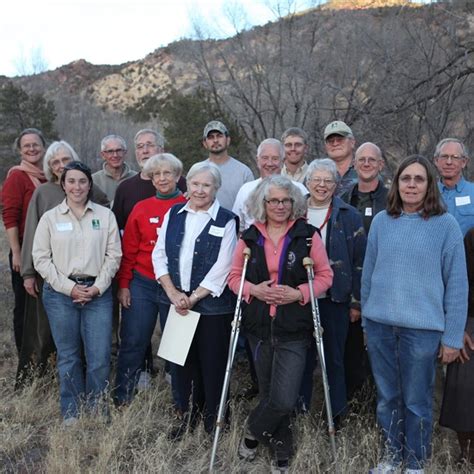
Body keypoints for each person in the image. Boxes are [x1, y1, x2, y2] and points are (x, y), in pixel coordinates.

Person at [361, 155, 468, 473]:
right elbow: (368, 277)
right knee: (387, 398)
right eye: (405, 178)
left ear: (429, 185)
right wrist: (367, 323)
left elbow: (457, 285)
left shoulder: (445, 225)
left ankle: (416, 462)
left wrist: (451, 336)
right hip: (380, 326)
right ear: (396, 184)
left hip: (422, 331)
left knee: (416, 401)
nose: (411, 184)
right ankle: (392, 458)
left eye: (418, 179)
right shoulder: (382, 221)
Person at [228, 175, 333, 472]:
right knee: (269, 394)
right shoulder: (250, 237)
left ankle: (251, 432)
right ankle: (281, 450)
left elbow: (325, 276)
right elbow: (234, 278)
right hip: (259, 328)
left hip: (294, 328)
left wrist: (298, 293)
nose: (280, 205)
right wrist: (255, 290)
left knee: (284, 398)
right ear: (263, 203)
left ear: (294, 203)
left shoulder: (308, 236)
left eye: (285, 200)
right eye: (273, 200)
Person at [152, 161, 238, 438]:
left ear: (216, 189)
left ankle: (215, 423)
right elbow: (159, 255)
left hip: (212, 307)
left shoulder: (227, 220)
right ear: (187, 185)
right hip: (177, 304)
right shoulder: (174, 213)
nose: (200, 190)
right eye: (195, 184)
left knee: (212, 365)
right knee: (181, 366)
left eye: (206, 185)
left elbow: (224, 267)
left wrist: (194, 296)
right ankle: (186, 418)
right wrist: (173, 294)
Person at [32, 161, 122, 425]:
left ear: (89, 184)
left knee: (99, 355)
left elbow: (114, 255)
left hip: (97, 294)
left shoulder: (105, 216)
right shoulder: (50, 218)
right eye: (71, 181)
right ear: (63, 185)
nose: (77, 186)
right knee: (69, 355)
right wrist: (69, 288)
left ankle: (97, 406)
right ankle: (71, 411)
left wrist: (97, 287)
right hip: (61, 295)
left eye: (82, 181)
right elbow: (40, 258)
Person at [18, 141, 108, 386]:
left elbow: (105, 225)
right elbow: (32, 236)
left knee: (94, 345)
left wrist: (96, 280)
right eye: (55, 162)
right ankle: (46, 380)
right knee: (51, 335)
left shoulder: (91, 191)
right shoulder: (44, 194)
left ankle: (93, 392)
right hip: (52, 277)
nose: (61, 165)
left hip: (93, 281)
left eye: (65, 160)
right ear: (50, 167)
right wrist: (28, 272)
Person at [114, 153, 187, 406]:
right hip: (143, 282)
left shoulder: (188, 206)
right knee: (134, 339)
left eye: (168, 173)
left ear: (178, 176)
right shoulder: (141, 208)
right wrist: (124, 284)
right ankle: (123, 396)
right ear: (152, 179)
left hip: (176, 286)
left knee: (176, 345)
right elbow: (129, 251)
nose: (162, 178)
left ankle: (181, 401)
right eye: (157, 174)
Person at [302, 158, 366, 418]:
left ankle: (336, 416)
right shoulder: (294, 211)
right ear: (307, 182)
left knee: (334, 360)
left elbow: (360, 262)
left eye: (328, 180)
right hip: (301, 299)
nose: (321, 185)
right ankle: (299, 412)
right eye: (316, 179)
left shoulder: (349, 215)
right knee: (302, 359)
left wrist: (355, 302)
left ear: (336, 185)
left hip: (335, 299)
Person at [340, 142, 387, 399]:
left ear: (380, 164)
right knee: (352, 350)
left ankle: (377, 403)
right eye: (362, 159)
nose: (367, 163)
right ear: (354, 164)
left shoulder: (393, 199)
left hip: (384, 286)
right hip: (351, 286)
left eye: (372, 159)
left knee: (380, 351)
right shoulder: (343, 199)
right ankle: (353, 403)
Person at [2, 128, 47, 356]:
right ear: (20, 150)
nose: (32, 149)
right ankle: (25, 356)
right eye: (26, 145)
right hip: (25, 250)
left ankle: (46, 353)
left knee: (45, 304)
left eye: (35, 144)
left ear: (43, 147)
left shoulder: (50, 175)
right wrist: (17, 252)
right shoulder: (17, 177)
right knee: (24, 305)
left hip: (50, 251)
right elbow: (9, 216)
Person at [439, 227, 474, 465]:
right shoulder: (472, 236)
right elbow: (460, 283)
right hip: (471, 320)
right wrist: (459, 327)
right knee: (464, 387)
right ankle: (469, 455)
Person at [233, 138, 307, 233]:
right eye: (265, 158)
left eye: (275, 158)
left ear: (283, 161)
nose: (270, 163)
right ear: (257, 160)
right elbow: (238, 227)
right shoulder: (245, 190)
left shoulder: (299, 189)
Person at [201, 120, 254, 210]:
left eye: (219, 136)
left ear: (228, 140)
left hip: (235, 223)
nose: (215, 140)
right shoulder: (198, 171)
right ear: (205, 143)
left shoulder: (244, 172)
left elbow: (252, 205)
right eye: (210, 137)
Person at [433, 138, 474, 236]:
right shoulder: (426, 194)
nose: (449, 162)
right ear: (436, 161)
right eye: (444, 156)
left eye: (455, 157)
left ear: (464, 162)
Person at [92, 134, 136, 203]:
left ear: (125, 153)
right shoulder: (93, 180)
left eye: (119, 150)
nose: (115, 155)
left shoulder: (137, 178)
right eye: (110, 151)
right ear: (103, 155)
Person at [323, 120, 358, 196]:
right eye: (330, 141)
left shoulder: (364, 169)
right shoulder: (318, 173)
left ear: (352, 142)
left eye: (340, 139)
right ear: (325, 146)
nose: (335, 143)